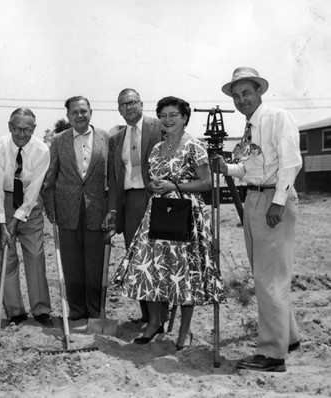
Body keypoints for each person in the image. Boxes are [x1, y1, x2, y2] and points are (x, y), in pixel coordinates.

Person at [112, 96, 225, 348]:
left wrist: (175, 185)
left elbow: (206, 183)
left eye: (174, 115)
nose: (167, 120)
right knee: (150, 267)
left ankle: (184, 332)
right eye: (163, 115)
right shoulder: (156, 149)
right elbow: (152, 181)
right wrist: (154, 186)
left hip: (186, 213)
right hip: (159, 212)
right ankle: (153, 323)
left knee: (185, 272)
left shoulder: (194, 146)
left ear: (185, 118)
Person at [218, 67, 302, 372]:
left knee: (270, 278)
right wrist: (226, 168)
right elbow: (249, 168)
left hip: (272, 200)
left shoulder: (278, 117)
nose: (241, 100)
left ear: (259, 92)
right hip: (253, 197)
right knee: (266, 273)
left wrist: (278, 202)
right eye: (236, 96)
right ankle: (288, 337)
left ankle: (272, 354)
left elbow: (291, 162)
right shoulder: (249, 127)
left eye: (247, 93)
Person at [102, 88, 169, 327]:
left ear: (141, 104)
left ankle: (160, 317)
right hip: (129, 203)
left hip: (156, 199)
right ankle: (148, 314)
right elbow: (113, 179)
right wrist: (113, 209)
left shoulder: (158, 126)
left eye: (132, 102)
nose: (128, 107)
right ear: (118, 109)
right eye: (123, 104)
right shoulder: (116, 139)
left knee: (157, 257)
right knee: (136, 257)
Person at [43, 96, 110, 321]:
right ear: (68, 116)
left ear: (91, 111)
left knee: (95, 262)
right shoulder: (59, 140)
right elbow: (50, 177)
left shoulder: (107, 138)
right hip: (66, 210)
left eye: (83, 111)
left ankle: (95, 310)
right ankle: (77, 310)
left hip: (97, 210)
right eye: (74, 112)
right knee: (71, 263)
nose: (79, 115)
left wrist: (111, 209)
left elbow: (113, 178)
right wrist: (50, 207)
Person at [0, 108, 52, 326]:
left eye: (26, 129)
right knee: (5, 257)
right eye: (16, 128)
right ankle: (15, 311)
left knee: (35, 255)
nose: (21, 133)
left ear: (34, 129)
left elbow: (34, 191)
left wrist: (17, 219)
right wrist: (3, 225)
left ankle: (41, 309)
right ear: (9, 126)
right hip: (1, 203)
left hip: (30, 204)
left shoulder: (42, 150)